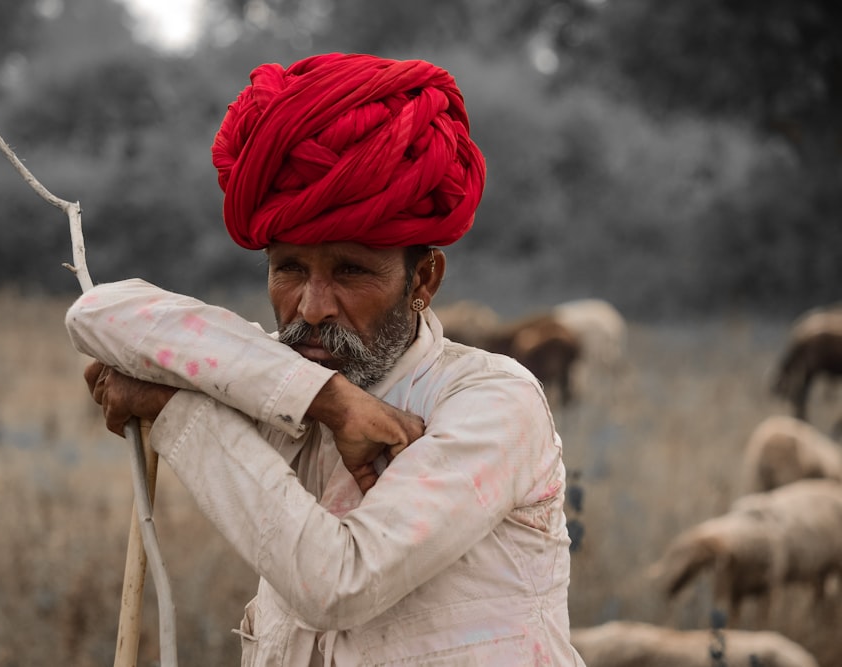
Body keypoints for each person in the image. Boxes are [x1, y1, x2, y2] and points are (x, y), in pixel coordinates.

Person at [66, 52, 585, 666]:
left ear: (424, 279)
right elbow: (97, 317)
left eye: (350, 271)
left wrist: (177, 409)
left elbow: (339, 583)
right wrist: (328, 400)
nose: (311, 308)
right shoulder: (279, 381)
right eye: (289, 268)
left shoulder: (492, 400)